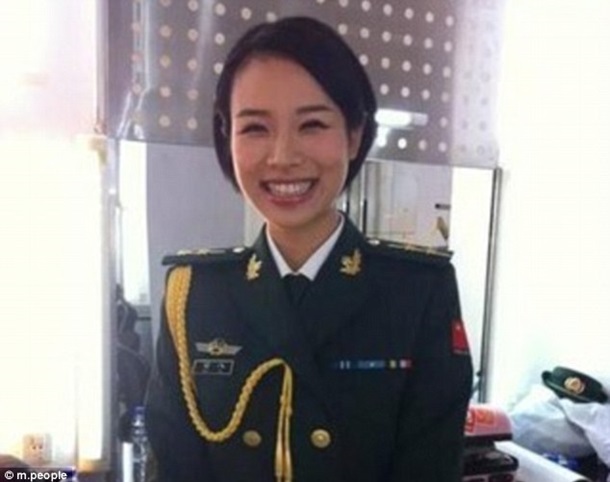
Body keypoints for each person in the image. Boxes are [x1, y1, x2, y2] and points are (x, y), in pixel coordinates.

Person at [145, 16, 473, 482]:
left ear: (354, 135)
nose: (283, 156)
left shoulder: (417, 291)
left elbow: (431, 467)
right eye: (255, 128)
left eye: (312, 124)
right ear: (227, 137)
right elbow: (172, 465)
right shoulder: (194, 295)